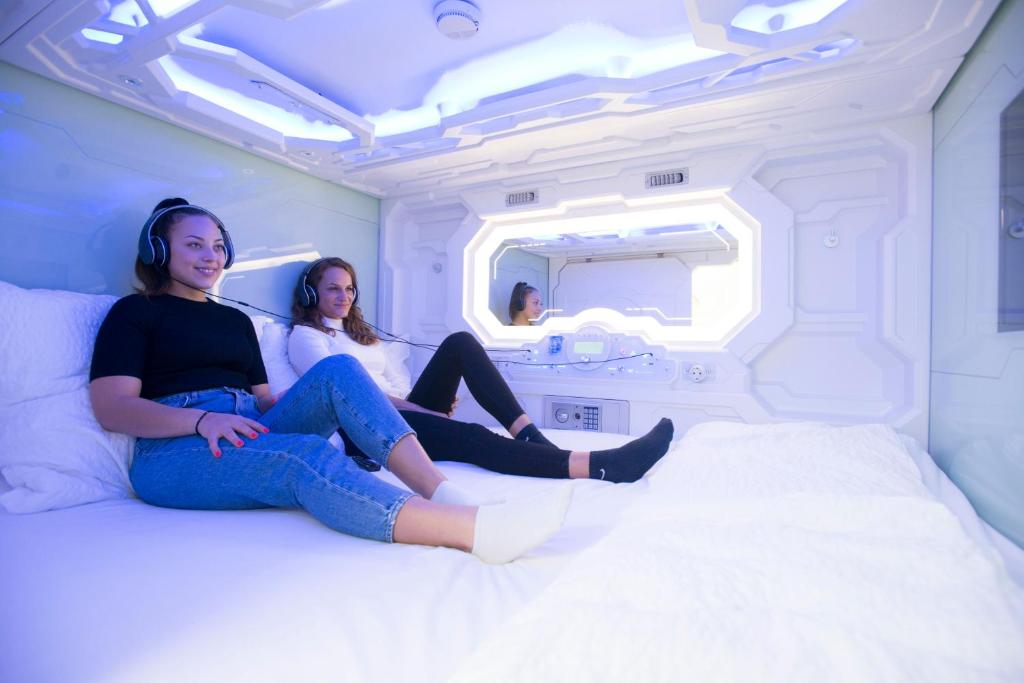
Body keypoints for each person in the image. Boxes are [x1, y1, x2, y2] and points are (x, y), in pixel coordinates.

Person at [88, 198, 572, 564]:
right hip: (175, 451)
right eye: (194, 245)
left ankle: (446, 494)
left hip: (246, 427)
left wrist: (317, 398)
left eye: (217, 246)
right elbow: (112, 407)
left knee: (340, 369)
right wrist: (201, 420)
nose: (210, 257)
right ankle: (471, 532)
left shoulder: (234, 321)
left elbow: (263, 400)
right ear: (158, 251)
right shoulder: (135, 312)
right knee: (304, 455)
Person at [288, 257, 674, 482]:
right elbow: (354, 397)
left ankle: (530, 436)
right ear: (311, 293)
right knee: (472, 435)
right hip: (366, 429)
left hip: (399, 410)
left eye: (349, 288)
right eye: (333, 288)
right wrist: (424, 412)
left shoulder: (358, 334)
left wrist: (427, 405)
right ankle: (600, 466)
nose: (344, 296)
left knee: (461, 343)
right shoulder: (306, 338)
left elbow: (390, 383)